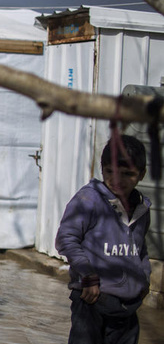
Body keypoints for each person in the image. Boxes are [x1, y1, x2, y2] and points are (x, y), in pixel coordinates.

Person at [55, 134, 151, 344]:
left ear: (142, 174)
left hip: (128, 305)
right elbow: (66, 239)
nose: (117, 180)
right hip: (92, 300)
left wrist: (145, 279)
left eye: (127, 174)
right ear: (102, 168)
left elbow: (140, 248)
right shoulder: (88, 200)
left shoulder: (142, 208)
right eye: (110, 172)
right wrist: (88, 276)